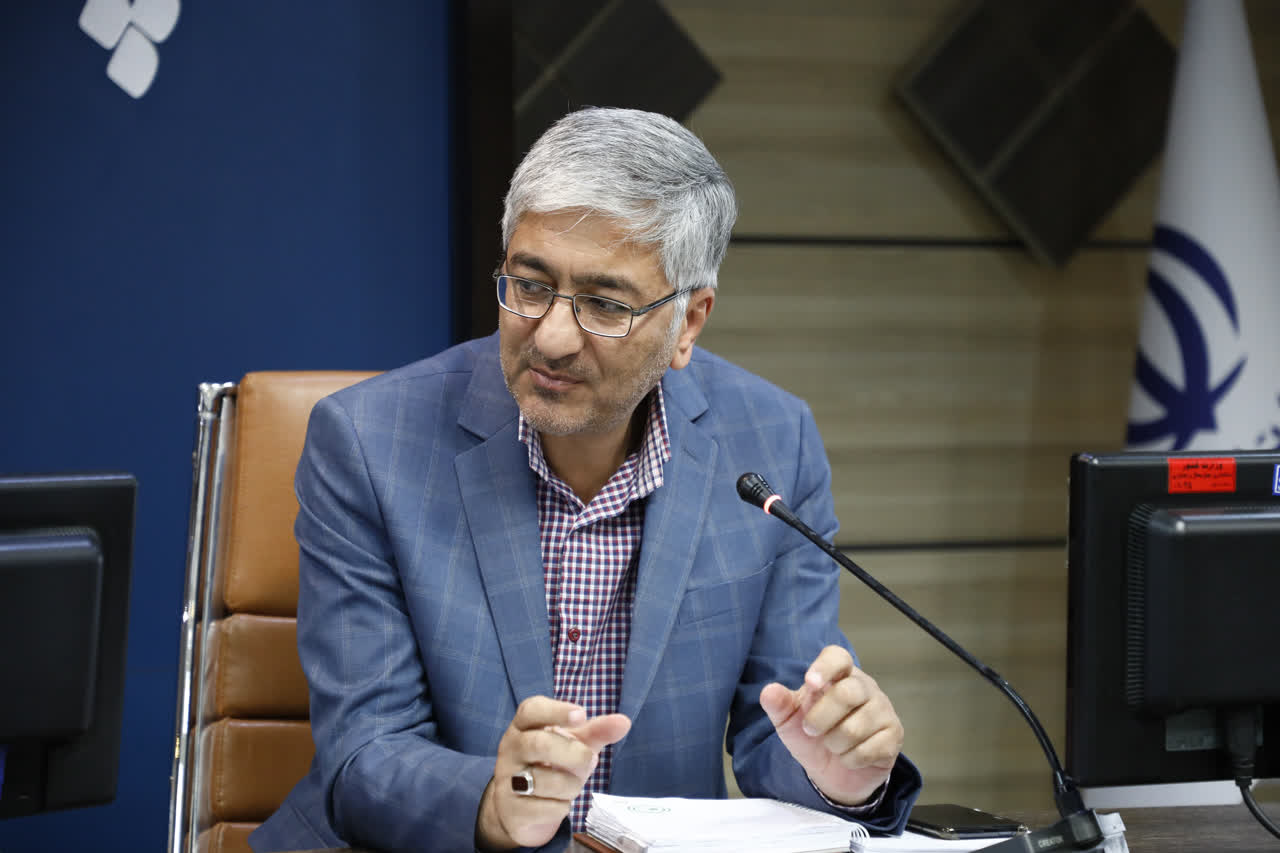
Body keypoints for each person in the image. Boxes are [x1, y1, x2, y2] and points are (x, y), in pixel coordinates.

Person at [251, 107, 921, 853]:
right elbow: (364, 753)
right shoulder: (370, 442)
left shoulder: (772, 444)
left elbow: (779, 728)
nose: (553, 336)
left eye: (605, 304)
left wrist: (837, 777)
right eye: (530, 285)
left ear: (688, 323)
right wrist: (497, 806)